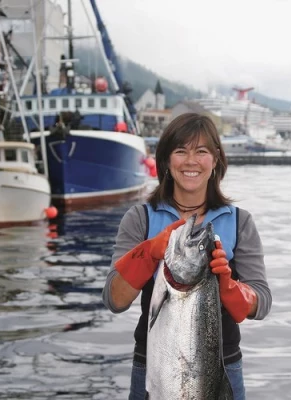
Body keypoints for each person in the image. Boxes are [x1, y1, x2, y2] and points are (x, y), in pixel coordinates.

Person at [102, 113, 272, 399]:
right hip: (153, 366)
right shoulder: (140, 218)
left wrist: (230, 287)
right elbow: (115, 300)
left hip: (222, 368)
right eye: (181, 151)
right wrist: (149, 253)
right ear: (166, 160)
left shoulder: (239, 221)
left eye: (201, 151)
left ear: (216, 159)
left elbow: (261, 303)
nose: (191, 161)